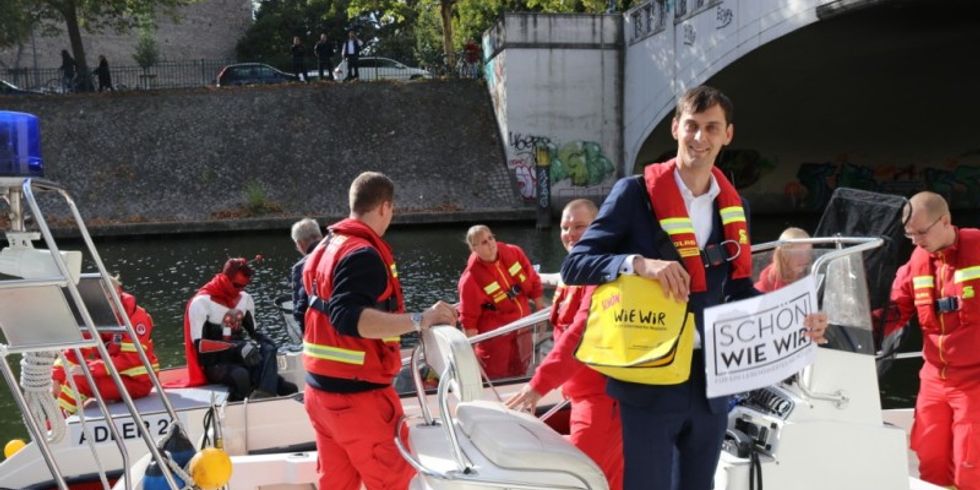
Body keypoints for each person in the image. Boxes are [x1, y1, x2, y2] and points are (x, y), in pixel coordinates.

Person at [560, 85, 829, 490]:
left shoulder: (736, 207)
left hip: (712, 382)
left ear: (728, 135)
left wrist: (795, 320)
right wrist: (638, 264)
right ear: (675, 128)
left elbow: (736, 290)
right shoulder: (634, 195)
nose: (700, 138)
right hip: (649, 380)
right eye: (692, 126)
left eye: (711, 128)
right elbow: (575, 265)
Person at [302, 171, 457, 489]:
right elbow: (349, 318)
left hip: (319, 395)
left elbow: (309, 307)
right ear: (385, 207)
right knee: (394, 483)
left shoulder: (323, 248)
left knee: (336, 484)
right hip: (359, 401)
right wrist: (421, 319)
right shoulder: (363, 255)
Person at [505, 199, 624, 490]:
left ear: (597, 228)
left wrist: (537, 386)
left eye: (579, 226)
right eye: (565, 227)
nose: (570, 234)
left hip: (602, 400)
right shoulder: (578, 270)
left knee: (582, 480)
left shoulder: (602, 275)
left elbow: (580, 333)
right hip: (583, 396)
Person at [880, 191, 980, 490]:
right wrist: (843, 327)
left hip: (975, 380)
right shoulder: (917, 261)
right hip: (934, 379)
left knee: (970, 465)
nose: (916, 240)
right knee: (930, 462)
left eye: (921, 232)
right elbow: (893, 311)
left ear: (946, 221)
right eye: (910, 235)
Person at [182, 257, 296, 401]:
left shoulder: (245, 299)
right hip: (216, 363)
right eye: (236, 285)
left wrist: (268, 343)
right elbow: (199, 346)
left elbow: (254, 332)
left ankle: (265, 397)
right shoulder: (201, 303)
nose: (239, 290)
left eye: (244, 286)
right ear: (225, 278)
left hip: (242, 357)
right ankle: (248, 407)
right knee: (241, 376)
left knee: (287, 387)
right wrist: (236, 347)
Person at [53, 276, 158, 414]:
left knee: (79, 380)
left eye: (105, 298)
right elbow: (75, 350)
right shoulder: (99, 315)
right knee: (69, 374)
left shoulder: (136, 317)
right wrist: (56, 377)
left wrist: (89, 369)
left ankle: (58, 425)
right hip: (113, 375)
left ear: (116, 293)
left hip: (137, 381)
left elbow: (129, 360)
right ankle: (58, 422)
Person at [457, 224, 544, 379]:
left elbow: (533, 281)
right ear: (474, 248)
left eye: (491, 238)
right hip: (495, 341)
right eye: (484, 242)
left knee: (523, 371)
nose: (490, 243)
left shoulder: (514, 253)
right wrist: (471, 355)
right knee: (498, 377)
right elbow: (468, 320)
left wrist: (540, 311)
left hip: (522, 330)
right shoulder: (470, 280)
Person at [290, 218, 322, 333]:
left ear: (300, 243)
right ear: (320, 236)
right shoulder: (339, 254)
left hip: (319, 332)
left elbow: (299, 309)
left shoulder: (301, 267)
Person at [754, 226, 812, 292]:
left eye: (807, 252)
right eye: (799, 253)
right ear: (784, 255)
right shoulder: (765, 286)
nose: (805, 258)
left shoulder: (810, 277)